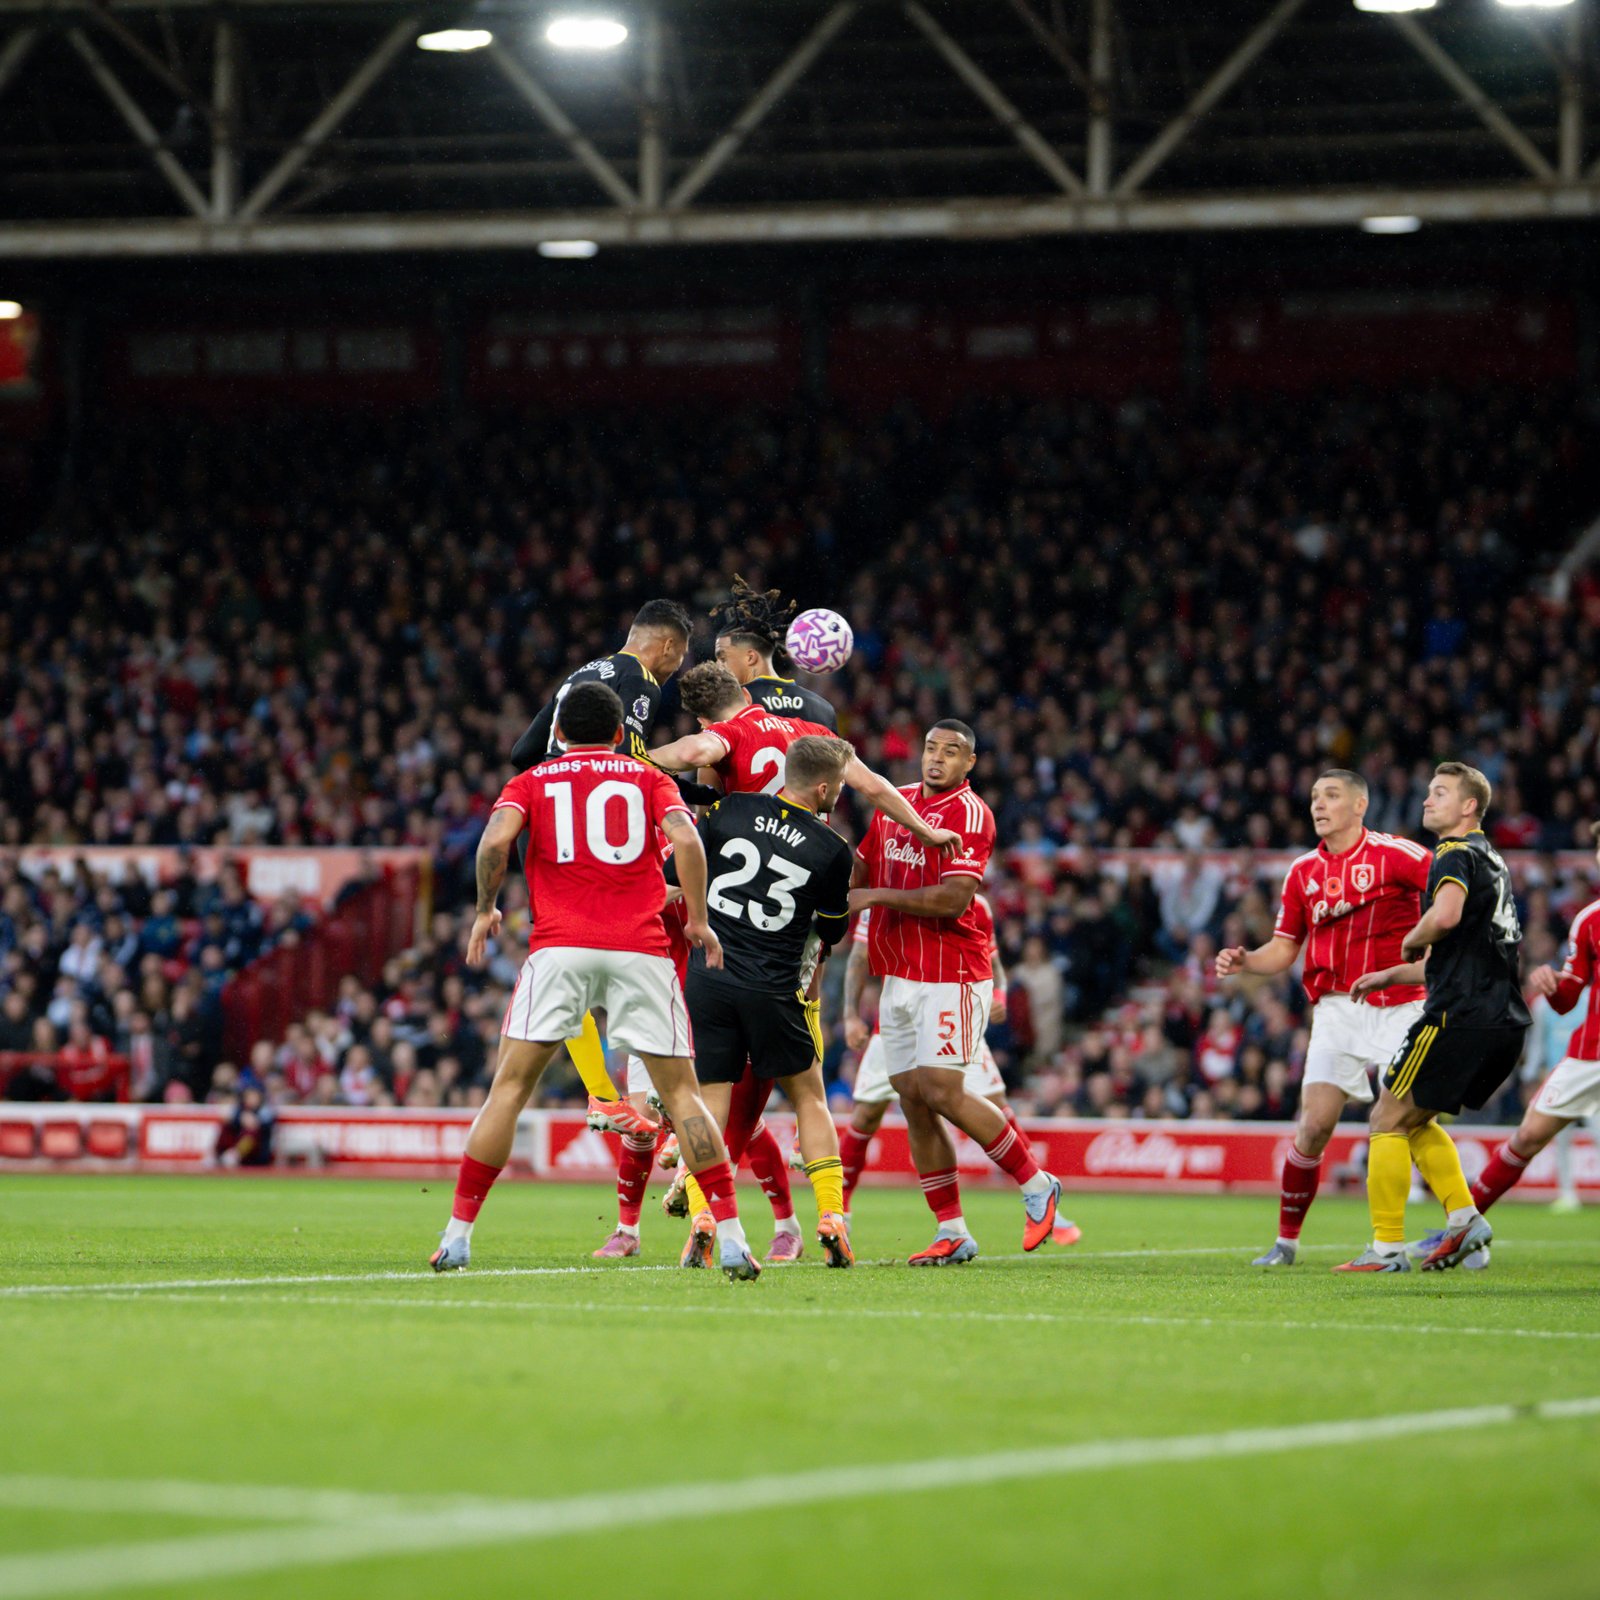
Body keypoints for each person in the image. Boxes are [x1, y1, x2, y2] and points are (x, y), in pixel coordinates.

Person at [431, 681, 761, 1282]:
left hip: (559, 948)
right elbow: (686, 839)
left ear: (557, 732)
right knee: (684, 1096)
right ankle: (734, 1238)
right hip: (640, 948)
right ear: (618, 733)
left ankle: (456, 1236)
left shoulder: (530, 782)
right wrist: (698, 919)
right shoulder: (648, 777)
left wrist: (485, 908)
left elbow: (495, 840)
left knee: (508, 1089)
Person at [848, 718, 1062, 1265]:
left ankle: (1037, 1185)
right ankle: (953, 1229)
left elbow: (951, 900)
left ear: (970, 763)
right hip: (900, 976)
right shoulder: (895, 805)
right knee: (913, 1099)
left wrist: (874, 896)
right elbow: (863, 867)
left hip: (953, 974)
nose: (937, 757)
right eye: (930, 748)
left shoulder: (971, 814)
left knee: (943, 1090)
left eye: (952, 751)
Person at [1214, 770, 1434, 1267]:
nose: (1319, 804)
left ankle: (1455, 1225)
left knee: (1405, 1124)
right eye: (1314, 796)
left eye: (1331, 795)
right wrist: (1246, 959)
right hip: (1336, 1009)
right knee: (1313, 1126)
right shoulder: (1302, 871)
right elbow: (1284, 950)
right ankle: (1286, 1242)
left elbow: (1451, 884)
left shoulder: (1396, 853)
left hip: (1403, 1002)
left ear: (1360, 805)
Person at [505, 599, 694, 1138]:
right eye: (677, 657)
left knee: (560, 950)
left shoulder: (584, 674)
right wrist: (696, 792)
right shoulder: (640, 680)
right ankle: (641, 1086)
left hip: (545, 826)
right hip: (593, 829)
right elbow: (631, 761)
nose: (674, 669)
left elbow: (523, 750)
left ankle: (601, 1094)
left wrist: (556, 783)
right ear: (665, 646)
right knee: (621, 942)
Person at [669, 735, 858, 1268]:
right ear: (822, 787)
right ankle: (830, 1217)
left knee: (709, 1104)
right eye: (840, 786)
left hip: (708, 979)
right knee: (809, 1099)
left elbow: (678, 876)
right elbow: (833, 931)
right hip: (773, 987)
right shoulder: (831, 849)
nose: (840, 794)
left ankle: (706, 1212)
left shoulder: (732, 809)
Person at [1338, 762, 1531, 1273]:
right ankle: (1466, 1219)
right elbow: (1464, 953)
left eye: (1440, 793)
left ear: (1469, 807)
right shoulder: (1492, 859)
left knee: (1385, 1118)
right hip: (1503, 1021)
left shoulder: (1453, 852)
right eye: (1427, 792)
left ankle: (1385, 1249)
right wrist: (1391, 975)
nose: (1427, 800)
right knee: (1415, 1119)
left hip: (1458, 1016)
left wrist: (1414, 934)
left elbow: (1443, 918)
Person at [840, 896, 1081, 1245]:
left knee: (989, 1100)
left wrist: (998, 997)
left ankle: (1039, 1194)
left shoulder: (974, 903)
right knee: (873, 1111)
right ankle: (839, 1212)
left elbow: (995, 965)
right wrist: (850, 1015)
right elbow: (859, 956)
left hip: (955, 1005)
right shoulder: (884, 895)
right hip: (898, 1019)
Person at [1410, 819, 1600, 1234]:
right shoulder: (1588, 921)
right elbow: (1569, 1000)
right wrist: (1554, 988)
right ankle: (1459, 1232)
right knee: (1528, 1136)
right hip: (1589, 1056)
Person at [711, 576, 839, 729]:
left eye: (723, 658)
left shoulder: (730, 708)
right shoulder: (823, 709)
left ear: (750, 657)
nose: (718, 667)